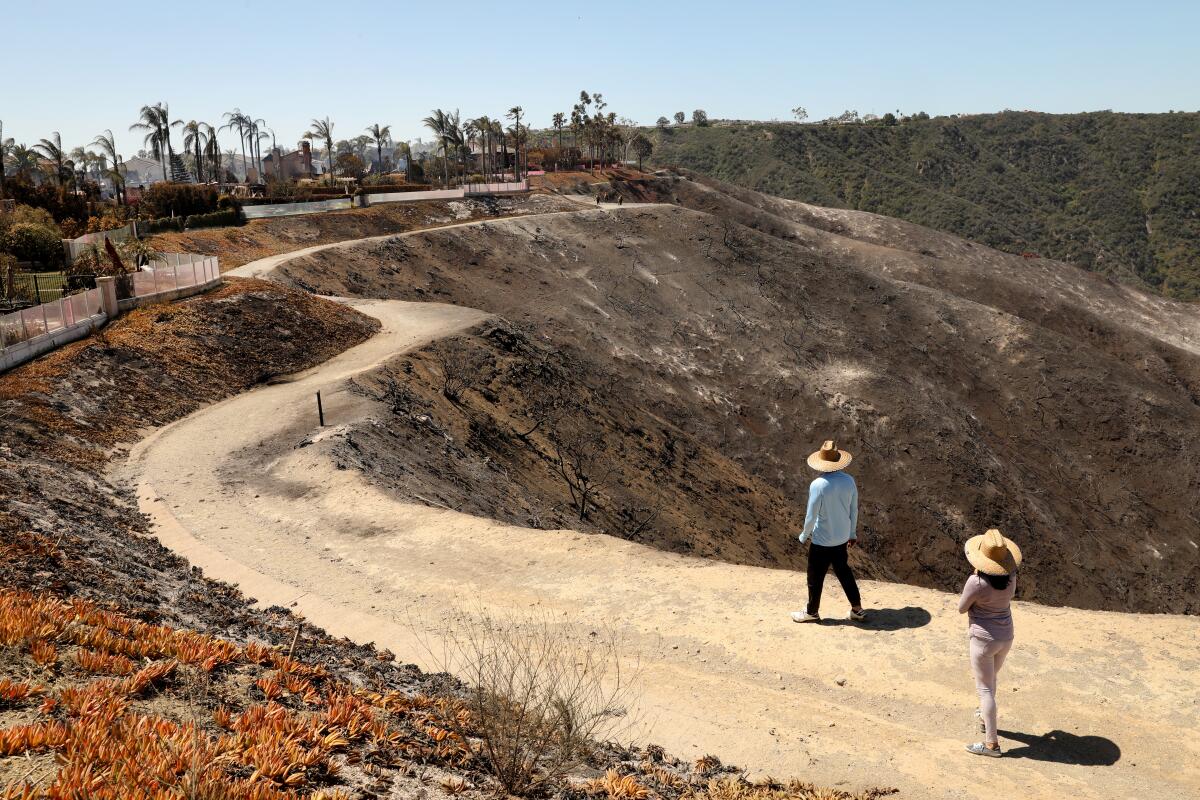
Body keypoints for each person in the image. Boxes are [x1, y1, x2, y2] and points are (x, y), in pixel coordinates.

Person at [958, 528, 1021, 758]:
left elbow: (961, 607)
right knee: (991, 680)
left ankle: (991, 744)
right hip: (1006, 636)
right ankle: (986, 718)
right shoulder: (1012, 577)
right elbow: (1009, 597)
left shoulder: (976, 582)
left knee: (985, 689)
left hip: (983, 639)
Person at [791, 440, 866, 623]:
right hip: (841, 539)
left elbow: (811, 516)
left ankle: (812, 612)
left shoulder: (818, 485)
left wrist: (803, 536)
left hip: (822, 541)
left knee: (815, 576)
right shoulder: (849, 481)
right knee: (844, 572)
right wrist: (852, 534)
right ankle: (857, 609)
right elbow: (853, 509)